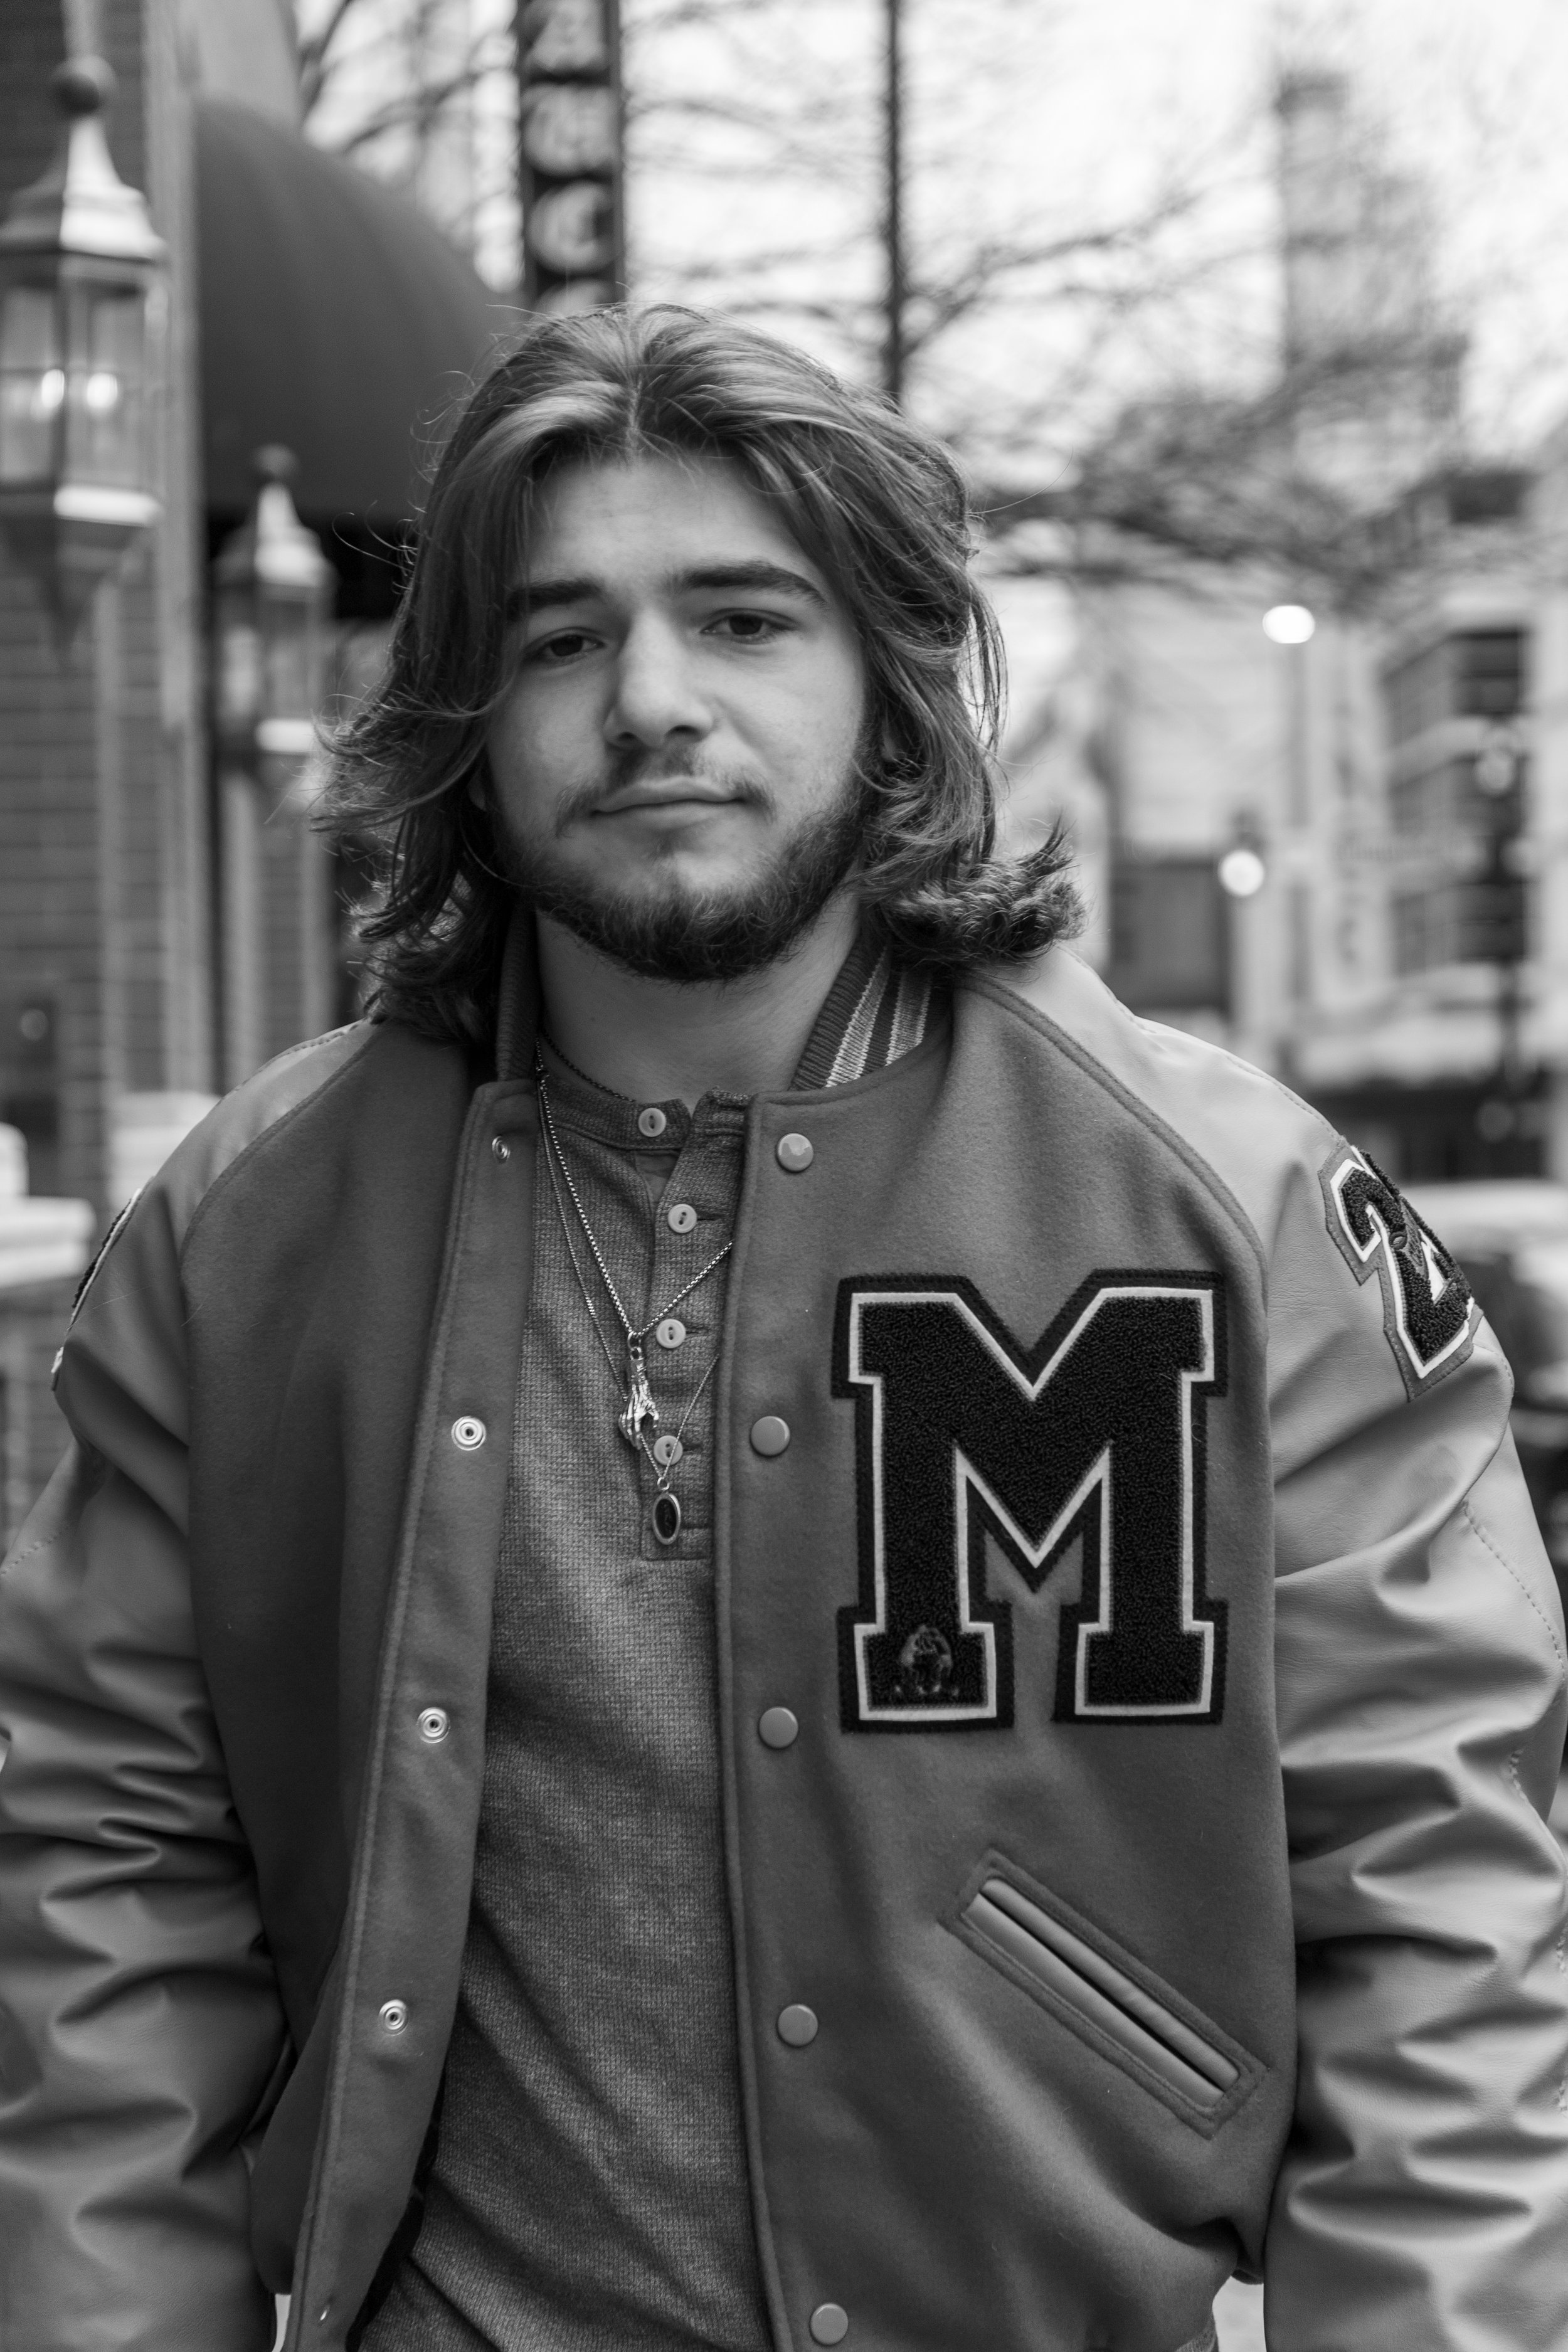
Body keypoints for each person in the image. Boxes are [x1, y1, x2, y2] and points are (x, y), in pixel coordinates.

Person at [1, 307, 1565, 2352]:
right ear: (466, 714)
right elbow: (109, 1882)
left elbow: (1436, 1902)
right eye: (560, 640)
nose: (650, 700)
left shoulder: (1230, 1209)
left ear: (889, 681)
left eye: (741, 620)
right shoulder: (251, 1228)